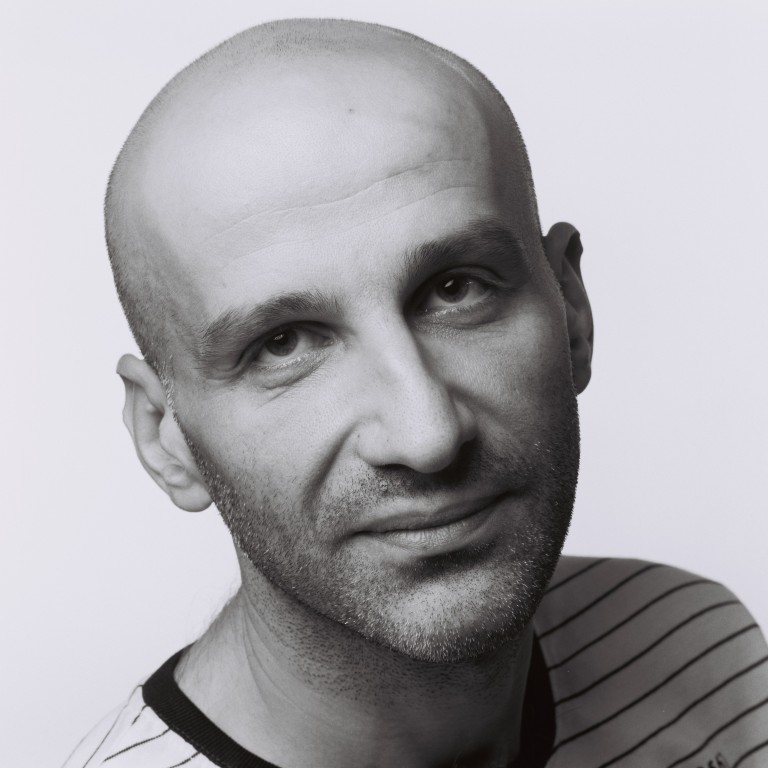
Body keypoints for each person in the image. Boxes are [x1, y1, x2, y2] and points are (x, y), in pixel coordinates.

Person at [63, 18, 768, 768]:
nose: (427, 435)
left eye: (456, 290)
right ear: (168, 439)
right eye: (285, 343)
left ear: (572, 312)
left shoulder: (704, 649)